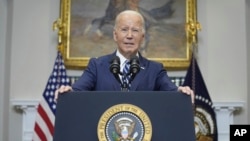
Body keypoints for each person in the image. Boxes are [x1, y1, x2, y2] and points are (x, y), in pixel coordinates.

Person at [54, 10, 194, 103]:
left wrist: (181, 91)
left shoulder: (155, 70)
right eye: (124, 30)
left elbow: (172, 92)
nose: (129, 36)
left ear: (142, 37)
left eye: (135, 30)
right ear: (115, 35)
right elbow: (77, 91)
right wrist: (68, 92)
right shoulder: (96, 66)